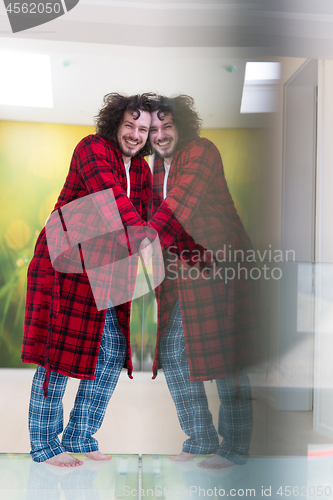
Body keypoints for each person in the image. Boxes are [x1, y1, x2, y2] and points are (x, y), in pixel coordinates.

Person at [21, 93, 154, 467]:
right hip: (68, 261)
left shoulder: (142, 171)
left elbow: (147, 214)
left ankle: (80, 434)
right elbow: (107, 195)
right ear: (115, 123)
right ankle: (45, 444)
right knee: (58, 355)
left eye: (142, 129)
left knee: (111, 351)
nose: (135, 134)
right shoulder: (92, 147)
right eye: (129, 125)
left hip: (109, 266)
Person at [146, 95, 259, 469]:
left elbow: (179, 204)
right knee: (174, 352)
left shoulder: (201, 151)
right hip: (182, 271)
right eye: (154, 129)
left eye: (167, 127)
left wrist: (140, 243)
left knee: (227, 358)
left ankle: (236, 447)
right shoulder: (155, 167)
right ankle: (200, 438)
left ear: (182, 126)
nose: (160, 135)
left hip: (219, 266)